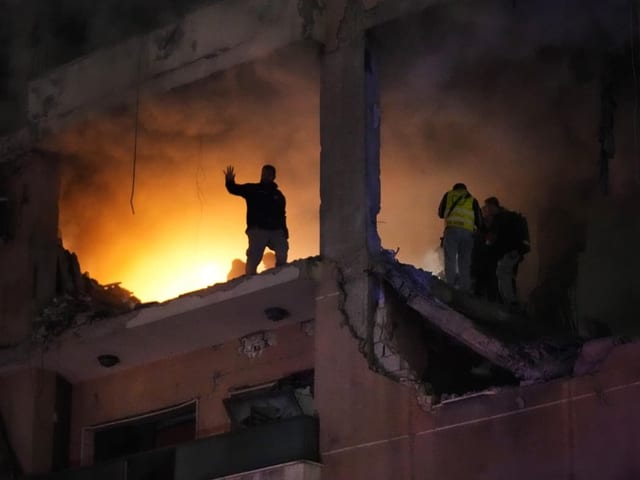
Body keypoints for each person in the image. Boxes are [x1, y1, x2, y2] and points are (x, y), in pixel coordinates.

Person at [224, 165, 289, 275]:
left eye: (268, 174)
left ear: (273, 176)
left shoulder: (278, 196)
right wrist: (229, 182)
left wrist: (284, 231)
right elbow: (235, 189)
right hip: (258, 230)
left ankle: (280, 271)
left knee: (282, 247)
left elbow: (282, 215)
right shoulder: (253, 189)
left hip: (275, 230)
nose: (265, 176)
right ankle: (249, 277)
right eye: (264, 173)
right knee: (254, 255)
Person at [483, 197, 530, 306]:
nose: (487, 210)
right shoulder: (509, 216)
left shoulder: (499, 218)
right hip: (517, 250)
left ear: (493, 206)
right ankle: (512, 302)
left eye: (488, 207)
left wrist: (486, 240)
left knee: (502, 271)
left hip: (510, 252)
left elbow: (492, 238)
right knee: (509, 275)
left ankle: (509, 302)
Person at [437, 183, 483, 292]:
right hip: (468, 233)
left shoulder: (448, 195)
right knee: (465, 261)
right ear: (465, 190)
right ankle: (465, 289)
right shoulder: (472, 199)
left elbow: (440, 214)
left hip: (452, 230)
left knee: (450, 259)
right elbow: (479, 222)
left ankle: (450, 286)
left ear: (455, 189)